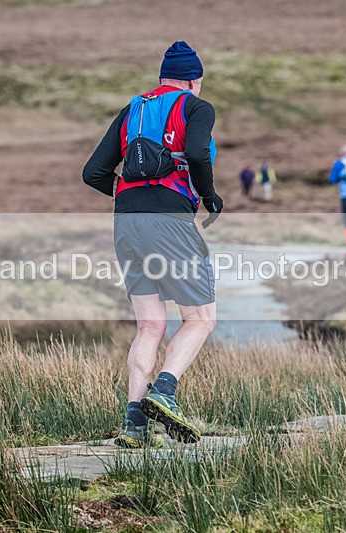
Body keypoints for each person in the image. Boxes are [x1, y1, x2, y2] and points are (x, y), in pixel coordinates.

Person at [82, 41, 222, 448]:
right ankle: (164, 391)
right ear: (194, 79)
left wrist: (131, 196)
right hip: (170, 222)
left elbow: (93, 172)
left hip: (126, 223)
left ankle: (134, 424)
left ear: (163, 76)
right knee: (200, 318)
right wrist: (210, 196)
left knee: (150, 325)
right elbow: (197, 152)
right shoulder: (197, 107)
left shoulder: (134, 109)